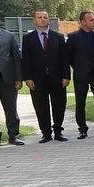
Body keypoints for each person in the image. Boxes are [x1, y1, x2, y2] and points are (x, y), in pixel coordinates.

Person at [21, 10, 69, 142]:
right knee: (40, 106)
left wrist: (66, 76)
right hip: (37, 79)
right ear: (34, 20)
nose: (42, 19)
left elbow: (64, 58)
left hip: (57, 78)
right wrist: (28, 78)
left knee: (59, 105)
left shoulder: (58, 37)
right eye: (39, 17)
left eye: (45, 17)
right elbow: (25, 60)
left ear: (49, 20)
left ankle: (58, 131)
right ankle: (46, 133)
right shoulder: (28, 38)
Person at [67, 11, 94, 138]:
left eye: (93, 19)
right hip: (81, 75)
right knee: (80, 102)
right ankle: (82, 128)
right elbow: (69, 57)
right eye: (91, 20)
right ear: (83, 22)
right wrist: (80, 67)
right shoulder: (73, 37)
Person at [0, 25, 23, 145]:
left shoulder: (8, 36)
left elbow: (17, 58)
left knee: (11, 109)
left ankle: (13, 135)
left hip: (8, 79)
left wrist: (19, 78)